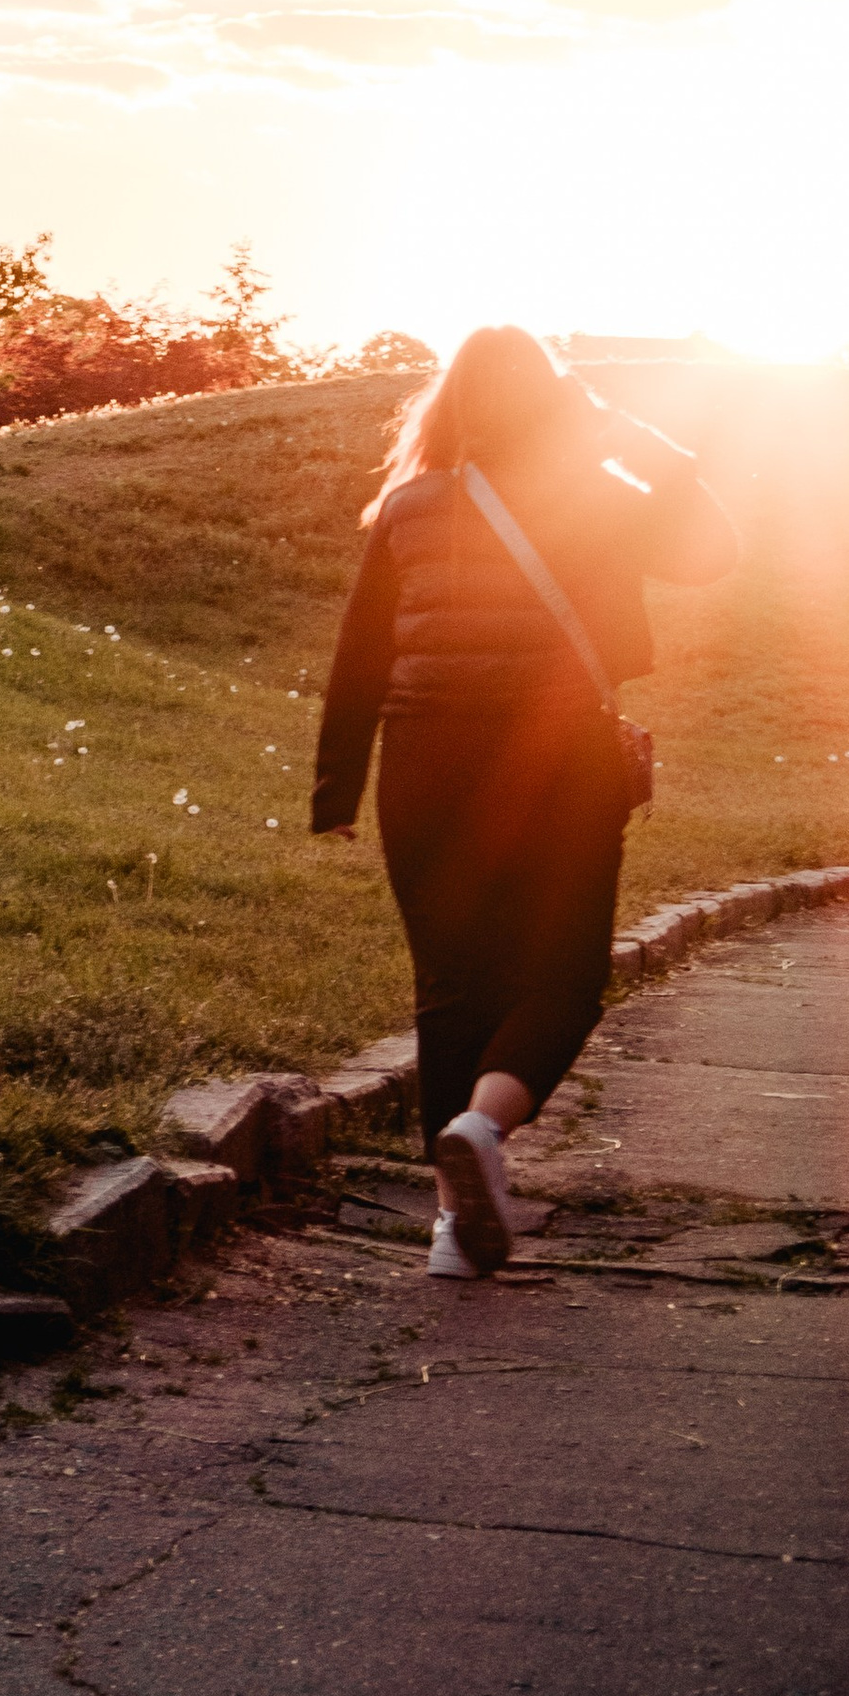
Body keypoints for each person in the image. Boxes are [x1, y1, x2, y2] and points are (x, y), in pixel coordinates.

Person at [311, 326, 735, 1278]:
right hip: (558, 757)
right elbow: (715, 552)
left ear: (450, 404)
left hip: (423, 761)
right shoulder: (594, 496)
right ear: (555, 402)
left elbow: (360, 656)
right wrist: (629, 432)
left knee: (452, 985)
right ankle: (481, 1125)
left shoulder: (408, 507)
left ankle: (453, 1232)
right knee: (562, 971)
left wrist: (337, 791)